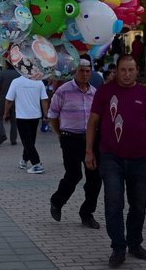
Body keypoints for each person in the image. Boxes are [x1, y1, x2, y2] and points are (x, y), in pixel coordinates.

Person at [85, 55, 146, 268]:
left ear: (137, 71)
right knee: (113, 203)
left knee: (139, 206)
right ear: (116, 70)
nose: (127, 74)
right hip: (110, 158)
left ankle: (134, 242)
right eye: (123, 70)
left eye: (131, 70)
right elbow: (92, 123)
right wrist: (89, 151)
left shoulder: (144, 94)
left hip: (140, 159)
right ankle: (118, 247)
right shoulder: (105, 92)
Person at [47, 58, 101, 229]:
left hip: (92, 139)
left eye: (87, 71)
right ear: (74, 71)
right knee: (74, 174)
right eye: (81, 70)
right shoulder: (63, 91)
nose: (85, 74)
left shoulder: (95, 92)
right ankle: (57, 201)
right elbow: (53, 116)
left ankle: (87, 213)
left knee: (95, 178)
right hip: (70, 139)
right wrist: (61, 134)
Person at [4, 75, 49, 174]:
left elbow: (9, 100)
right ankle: (24, 160)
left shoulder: (16, 81)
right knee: (30, 140)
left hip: (22, 116)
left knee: (27, 141)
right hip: (35, 116)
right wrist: (46, 114)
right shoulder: (39, 82)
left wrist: (6, 113)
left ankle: (36, 164)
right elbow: (44, 100)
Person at [0, 62, 20, 146]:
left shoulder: (2, 73)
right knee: (14, 120)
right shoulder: (19, 74)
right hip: (16, 99)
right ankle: (13, 139)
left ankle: (2, 134)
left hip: (3, 99)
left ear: (7, 65)